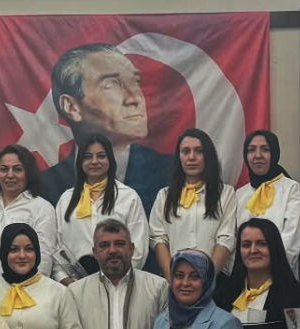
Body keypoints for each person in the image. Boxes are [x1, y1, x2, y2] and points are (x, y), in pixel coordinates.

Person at [42, 43, 170, 214]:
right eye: (110, 85)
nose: (134, 99)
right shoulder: (45, 186)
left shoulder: (171, 172)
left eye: (135, 82)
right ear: (71, 107)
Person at [53, 135, 148, 283]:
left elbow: (138, 247)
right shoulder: (66, 199)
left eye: (101, 156)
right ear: (80, 161)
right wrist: (64, 279)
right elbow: (57, 246)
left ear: (110, 159)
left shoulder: (128, 197)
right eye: (88, 157)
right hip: (75, 284)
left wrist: (121, 279)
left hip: (119, 280)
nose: (94, 161)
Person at [149, 128, 237, 280]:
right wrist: (174, 280)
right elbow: (158, 239)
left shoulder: (226, 194)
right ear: (179, 157)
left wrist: (205, 281)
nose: (191, 157)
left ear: (208, 156)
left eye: (199, 151)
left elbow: (226, 239)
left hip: (215, 281)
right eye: (185, 151)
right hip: (174, 281)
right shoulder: (164, 196)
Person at [0, 144, 57, 286]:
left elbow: (43, 261)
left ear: (28, 174)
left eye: (17, 169)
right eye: (4, 169)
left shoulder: (42, 208)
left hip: (21, 294)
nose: (10, 175)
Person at [235, 130, 300, 272]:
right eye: (251, 150)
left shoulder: (291, 189)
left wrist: (267, 272)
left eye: (265, 149)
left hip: (281, 273)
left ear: (274, 153)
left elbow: (293, 240)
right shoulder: (240, 194)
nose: (258, 155)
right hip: (246, 276)